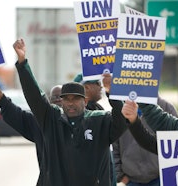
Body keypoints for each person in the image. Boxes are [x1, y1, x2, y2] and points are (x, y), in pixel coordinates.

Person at [10, 38, 128, 186]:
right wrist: (22, 64)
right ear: (62, 101)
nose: (71, 103)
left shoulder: (99, 121)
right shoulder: (52, 120)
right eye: (67, 99)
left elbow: (121, 121)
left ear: (85, 101)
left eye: (76, 99)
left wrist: (113, 92)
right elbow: (35, 97)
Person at [113, 96, 178, 186]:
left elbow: (177, 143)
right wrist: (121, 176)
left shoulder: (166, 106)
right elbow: (114, 147)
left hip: (160, 178)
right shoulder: (121, 110)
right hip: (131, 180)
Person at [74, 73, 117, 186]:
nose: (101, 86)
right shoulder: (77, 116)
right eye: (98, 83)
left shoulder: (98, 109)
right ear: (86, 87)